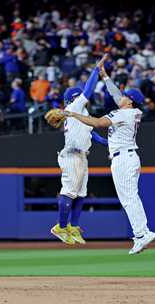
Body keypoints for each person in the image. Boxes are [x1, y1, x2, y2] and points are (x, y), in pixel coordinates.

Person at [62, 55, 155, 254]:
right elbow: (116, 94)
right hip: (128, 156)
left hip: (123, 158)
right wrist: (104, 76)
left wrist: (73, 114)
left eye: (126, 95)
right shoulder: (130, 112)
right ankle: (143, 232)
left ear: (130, 101)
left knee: (129, 198)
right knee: (132, 197)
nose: (121, 95)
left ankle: (142, 234)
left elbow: (97, 123)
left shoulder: (122, 114)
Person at [50, 55, 108, 245]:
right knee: (69, 192)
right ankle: (60, 226)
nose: (83, 98)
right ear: (71, 99)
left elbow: (92, 135)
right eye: (79, 96)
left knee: (81, 194)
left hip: (82, 156)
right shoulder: (74, 107)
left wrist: (108, 143)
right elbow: (89, 91)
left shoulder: (82, 114)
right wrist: (95, 71)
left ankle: (73, 227)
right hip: (71, 155)